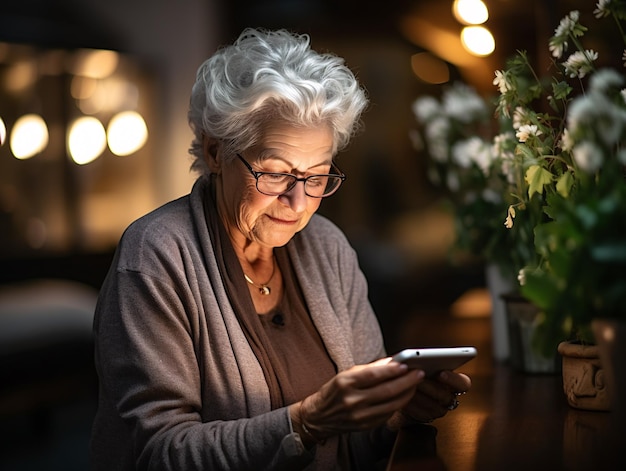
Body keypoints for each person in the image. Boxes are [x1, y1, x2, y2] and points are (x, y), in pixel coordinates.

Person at [90, 27, 472, 471]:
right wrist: (305, 422)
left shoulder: (329, 248)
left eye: (317, 176)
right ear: (216, 153)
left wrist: (393, 414)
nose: (297, 203)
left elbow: (355, 444)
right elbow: (159, 454)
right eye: (275, 174)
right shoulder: (155, 257)